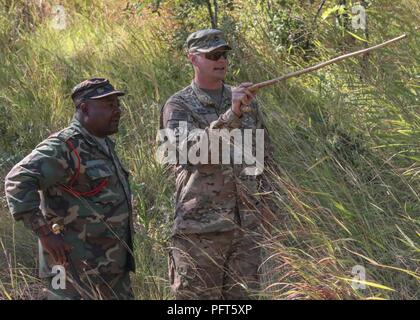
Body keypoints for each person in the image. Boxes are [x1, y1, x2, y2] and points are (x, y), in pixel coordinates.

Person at [160, 29, 273, 299]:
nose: (220, 60)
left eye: (223, 54)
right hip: (200, 231)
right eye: (212, 55)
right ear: (193, 59)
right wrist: (231, 115)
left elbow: (263, 158)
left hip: (245, 230)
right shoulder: (177, 106)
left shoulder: (245, 102)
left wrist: (268, 204)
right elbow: (191, 154)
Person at [5, 78, 135, 300]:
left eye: (117, 105)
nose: (117, 111)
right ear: (84, 108)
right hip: (72, 269)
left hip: (110, 267)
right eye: (109, 105)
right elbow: (17, 180)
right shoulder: (65, 146)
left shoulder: (101, 144)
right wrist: (44, 233)